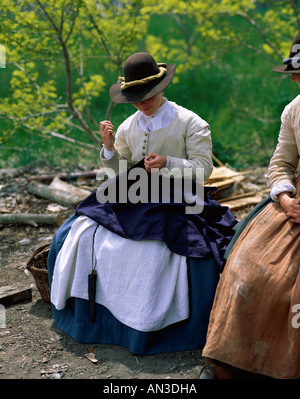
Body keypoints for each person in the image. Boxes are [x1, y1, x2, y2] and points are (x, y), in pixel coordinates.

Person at [47, 52, 237, 355]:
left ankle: (156, 323)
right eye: (134, 98)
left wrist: (168, 162)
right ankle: (97, 314)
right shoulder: (127, 127)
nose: (140, 103)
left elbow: (203, 169)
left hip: (178, 196)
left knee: (158, 248)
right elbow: (115, 174)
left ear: (160, 88)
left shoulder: (191, 122)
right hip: (134, 194)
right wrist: (108, 149)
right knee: (81, 230)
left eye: (145, 96)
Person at [200, 32, 300, 379]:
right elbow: (281, 163)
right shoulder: (294, 110)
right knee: (246, 266)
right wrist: (285, 196)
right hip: (295, 202)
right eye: (294, 72)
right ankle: (233, 359)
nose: (294, 79)